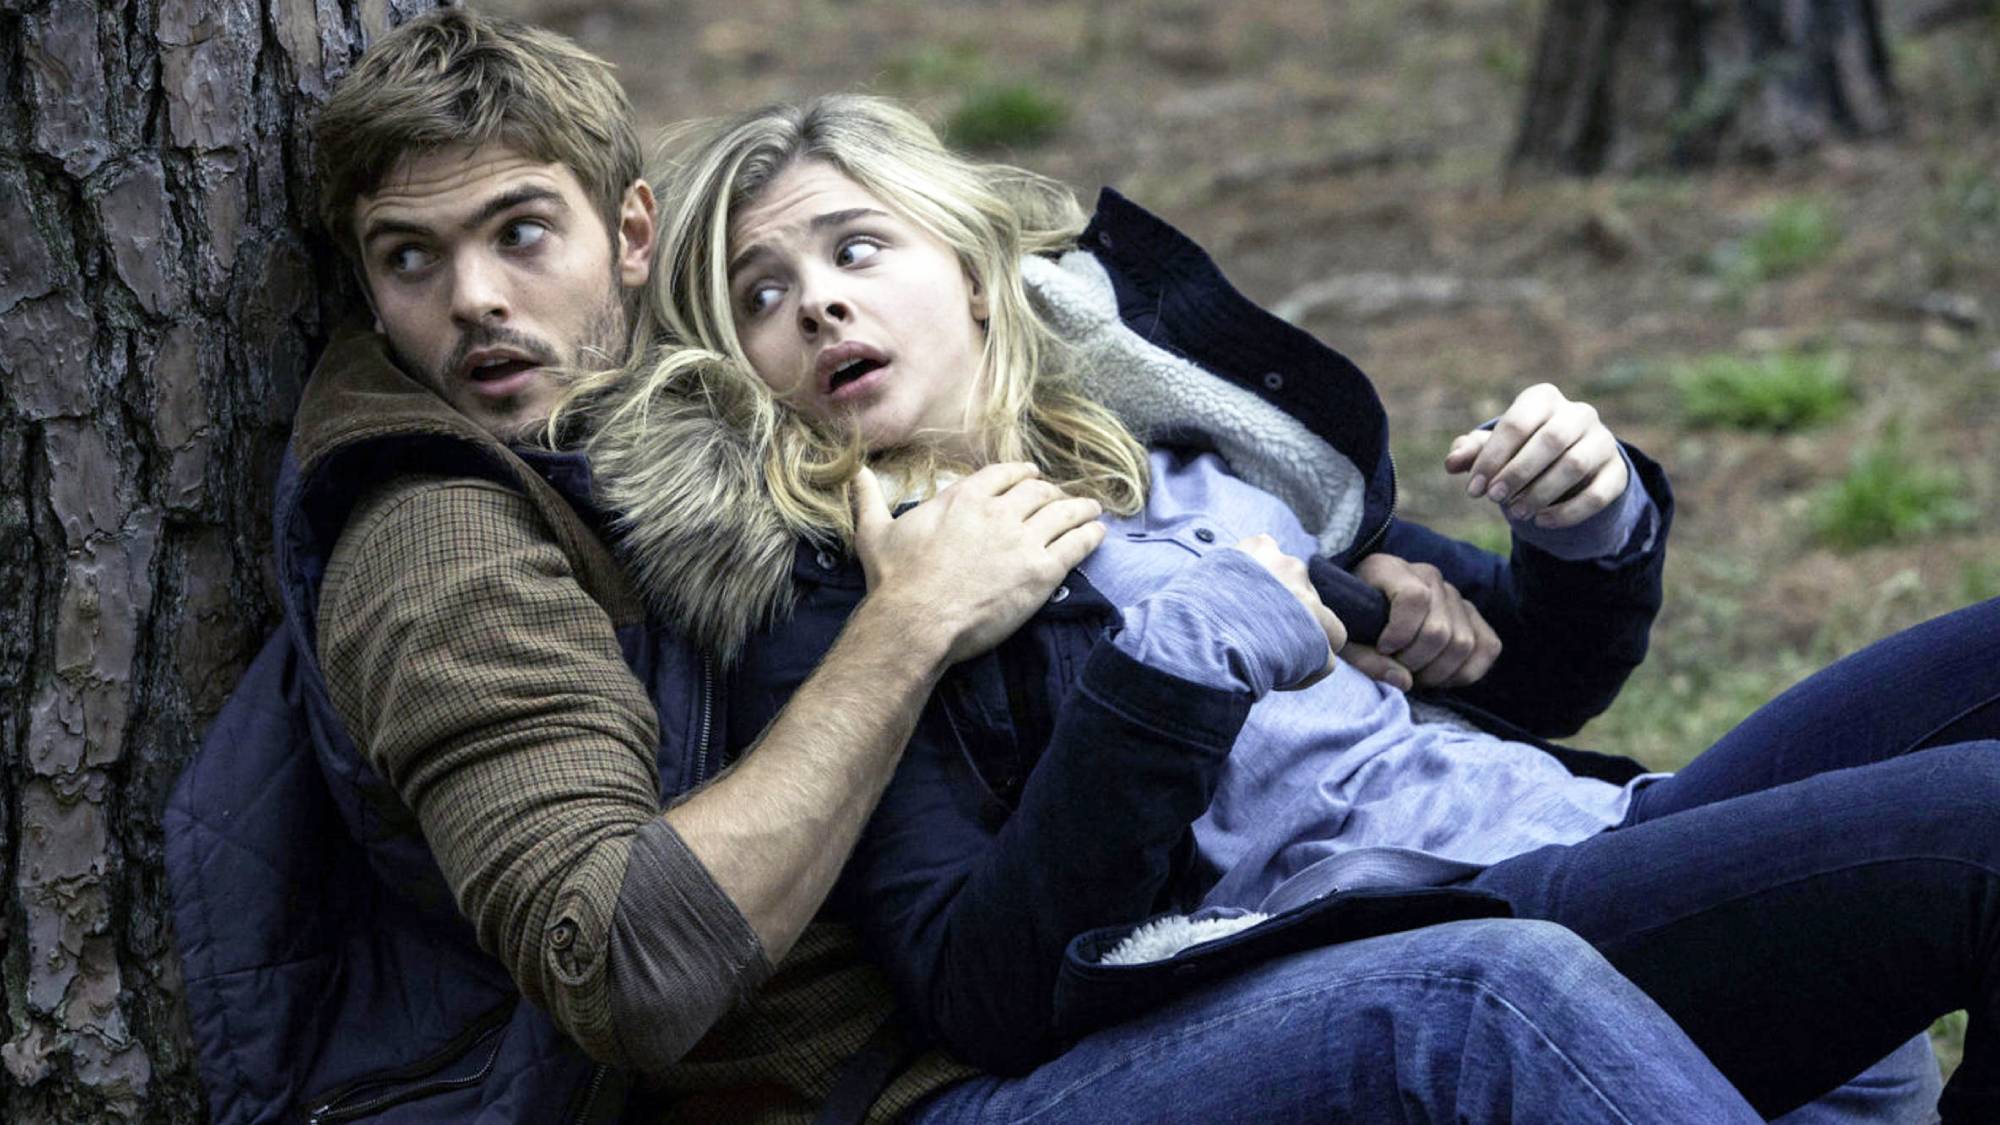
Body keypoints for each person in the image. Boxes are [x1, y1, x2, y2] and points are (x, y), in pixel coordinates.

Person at [161, 10, 1771, 1125]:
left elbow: (1472, 636)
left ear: (631, 239)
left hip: (1271, 914)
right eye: (410, 260)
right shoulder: (447, 535)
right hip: (925, 1079)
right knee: (1487, 1001)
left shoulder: (793, 400)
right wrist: (917, 626)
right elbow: (630, 964)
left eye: (521, 233)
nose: (475, 302)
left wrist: (1434, 571)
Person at [572, 92, 1991, 1121]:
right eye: (761, 295)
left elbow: (1533, 670)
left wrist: (1587, 524)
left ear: (974, 271)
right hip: (1413, 911)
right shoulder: (852, 589)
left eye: (855, 249)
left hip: (1592, 825)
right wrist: (1173, 671)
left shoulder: (1181, 448)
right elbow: (983, 984)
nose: (819, 304)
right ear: (737, 367)